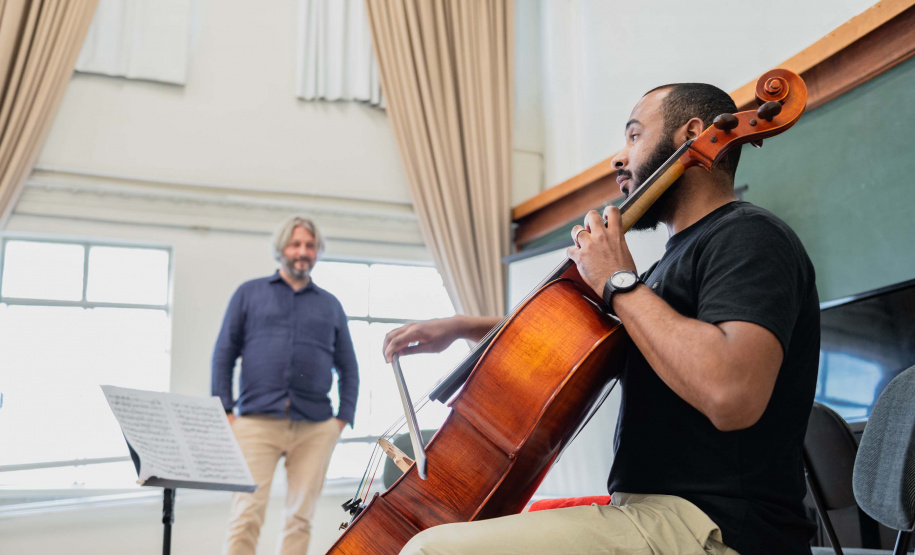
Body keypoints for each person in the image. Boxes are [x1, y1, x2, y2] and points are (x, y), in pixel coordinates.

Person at [382, 83, 819, 555]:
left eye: (634, 136)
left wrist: (618, 281)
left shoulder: (749, 236)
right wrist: (466, 326)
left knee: (430, 551)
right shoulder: (661, 272)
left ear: (692, 133)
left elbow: (732, 394)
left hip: (718, 528)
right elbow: (577, 341)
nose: (617, 158)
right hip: (650, 513)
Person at [212, 215, 359, 555]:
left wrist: (342, 419)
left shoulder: (330, 305)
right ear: (281, 249)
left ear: (317, 251)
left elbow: (348, 367)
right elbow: (223, 354)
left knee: (300, 518)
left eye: (309, 245)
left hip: (315, 427)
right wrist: (226, 412)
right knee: (245, 515)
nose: (302, 251)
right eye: (295, 244)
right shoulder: (248, 294)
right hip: (254, 424)